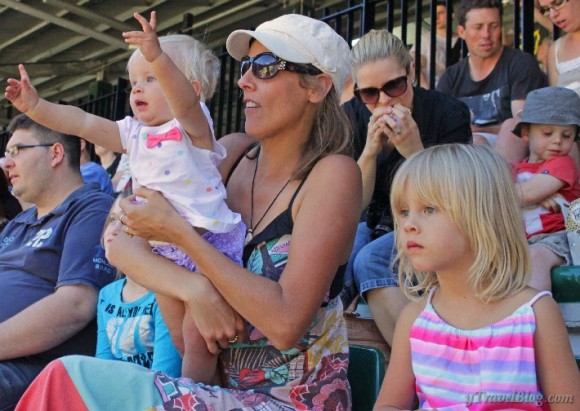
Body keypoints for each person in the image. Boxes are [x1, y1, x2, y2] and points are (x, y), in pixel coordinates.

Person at [16, 13, 360, 410]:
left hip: (289, 402)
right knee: (68, 379)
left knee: (70, 378)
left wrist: (180, 236)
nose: (244, 80)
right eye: (245, 66)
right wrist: (192, 288)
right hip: (212, 389)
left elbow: (284, 324)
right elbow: (118, 239)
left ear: (317, 87)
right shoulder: (230, 153)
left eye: (266, 67)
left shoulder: (333, 174)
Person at [5, 12, 245, 385]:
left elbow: (182, 103)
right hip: (160, 249)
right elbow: (82, 122)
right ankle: (188, 387)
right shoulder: (132, 133)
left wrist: (157, 56)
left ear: (193, 88)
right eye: (134, 81)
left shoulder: (193, 127)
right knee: (178, 336)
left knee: (197, 340)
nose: (136, 89)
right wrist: (37, 108)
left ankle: (193, 397)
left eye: (150, 79)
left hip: (204, 243)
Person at [373, 143, 580, 410]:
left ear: (482, 217)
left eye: (429, 209)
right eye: (403, 212)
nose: (408, 224)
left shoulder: (535, 314)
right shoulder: (414, 319)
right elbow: (391, 405)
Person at [341, 29, 472, 345]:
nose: (384, 100)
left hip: (433, 221)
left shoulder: (447, 112)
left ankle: (426, 364)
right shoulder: (351, 117)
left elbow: (456, 199)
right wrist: (371, 151)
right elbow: (354, 205)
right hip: (374, 221)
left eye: (395, 86)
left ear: (411, 73)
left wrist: (414, 150)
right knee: (339, 257)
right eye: (370, 93)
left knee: (370, 259)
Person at [0, 114, 115, 410]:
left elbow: (76, 305)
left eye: (16, 151)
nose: (5, 163)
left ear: (55, 153)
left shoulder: (91, 208)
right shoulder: (19, 223)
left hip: (34, 367)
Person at [436, 0, 545, 153]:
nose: (486, 35)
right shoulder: (450, 76)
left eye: (493, 26)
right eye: (478, 27)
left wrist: (472, 130)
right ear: (462, 32)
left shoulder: (520, 63)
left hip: (508, 149)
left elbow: (521, 126)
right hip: (462, 156)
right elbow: (441, 129)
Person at [96, 194, 181, 377]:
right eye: (112, 220)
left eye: (127, 221)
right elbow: (102, 369)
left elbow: (166, 376)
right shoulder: (106, 294)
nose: (114, 229)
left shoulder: (164, 294)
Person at [511, 86, 580, 291]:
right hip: (521, 239)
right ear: (526, 133)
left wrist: (531, 196)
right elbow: (523, 194)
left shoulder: (562, 163)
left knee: (536, 258)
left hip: (557, 239)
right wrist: (534, 197)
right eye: (548, 133)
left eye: (567, 135)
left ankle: (536, 315)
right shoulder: (514, 169)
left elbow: (526, 193)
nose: (558, 141)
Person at [409, 0, 460, 89]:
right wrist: (426, 87)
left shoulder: (462, 39)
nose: (436, 17)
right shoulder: (426, 39)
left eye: (441, 13)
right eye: (434, 13)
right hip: (435, 90)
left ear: (452, 15)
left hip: (458, 89)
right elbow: (415, 63)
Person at [544, 0, 580, 95]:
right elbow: (557, 104)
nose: (553, 15)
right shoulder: (555, 50)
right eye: (547, 9)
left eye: (558, 3)